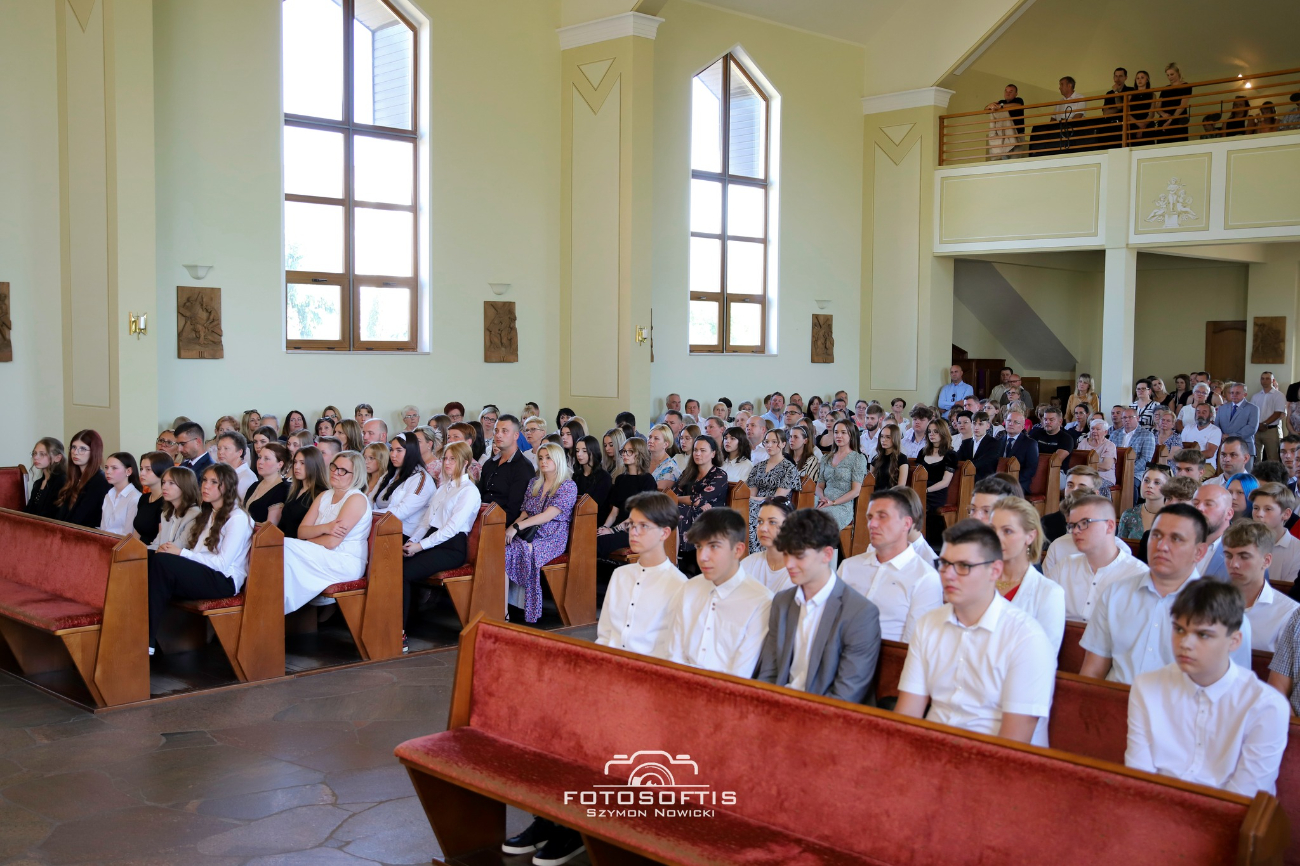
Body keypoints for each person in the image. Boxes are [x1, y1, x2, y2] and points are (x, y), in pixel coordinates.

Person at [895, 520, 1055, 746]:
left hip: (995, 762)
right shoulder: (928, 624)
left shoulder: (1026, 638)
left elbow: (1014, 745)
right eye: (944, 563)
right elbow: (907, 716)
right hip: (932, 751)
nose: (948, 575)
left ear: (995, 570)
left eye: (963, 566)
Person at [1127, 579, 1289, 796]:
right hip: (1156, 810)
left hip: (1232, 822)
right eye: (1179, 629)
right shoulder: (1146, 687)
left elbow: (1242, 799)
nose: (1185, 643)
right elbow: (1139, 780)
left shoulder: (1267, 707)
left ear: (1234, 641)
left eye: (1203, 634)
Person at [1080, 504, 1254, 684]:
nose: (1162, 546)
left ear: (1199, 552)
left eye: (1176, 539)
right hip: (1115, 704)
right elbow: (1092, 671)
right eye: (1156, 535)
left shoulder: (1224, 610)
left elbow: (1232, 689)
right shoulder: (1116, 593)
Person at [755, 508, 881, 703]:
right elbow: (769, 674)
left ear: (827, 554)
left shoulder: (860, 613)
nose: (789, 564)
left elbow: (845, 695)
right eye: (786, 554)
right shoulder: (782, 602)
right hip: (778, 705)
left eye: (799, 555)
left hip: (827, 715)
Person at [146, 463, 256, 653]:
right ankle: (143, 635)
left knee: (162, 562)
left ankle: (146, 640)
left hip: (224, 581)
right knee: (148, 558)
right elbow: (198, 554)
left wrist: (181, 554)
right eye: (204, 480)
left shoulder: (237, 518)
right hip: (205, 574)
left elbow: (222, 564)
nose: (206, 486)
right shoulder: (210, 513)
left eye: (214, 482)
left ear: (227, 487)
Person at [654, 508, 773, 675]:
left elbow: (741, 673)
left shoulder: (760, 601)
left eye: (714, 546)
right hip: (677, 686)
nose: (702, 556)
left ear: (737, 550)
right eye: (699, 547)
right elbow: (674, 654)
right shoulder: (689, 588)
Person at [839, 488, 943, 642]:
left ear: (907, 523)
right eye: (870, 517)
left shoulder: (926, 578)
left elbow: (913, 646)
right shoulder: (848, 567)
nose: (872, 524)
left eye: (882, 517)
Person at [596, 491, 688, 654]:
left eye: (643, 526)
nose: (634, 532)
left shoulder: (679, 585)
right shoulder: (620, 574)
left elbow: (675, 651)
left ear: (664, 533)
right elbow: (605, 634)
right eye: (631, 524)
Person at [401, 442, 480, 630]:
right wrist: (412, 541)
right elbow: (426, 522)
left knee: (403, 574)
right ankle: (397, 621)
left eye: (453, 459)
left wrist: (420, 546)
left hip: (451, 547)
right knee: (391, 566)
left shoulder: (469, 491)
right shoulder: (443, 488)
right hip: (432, 539)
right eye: (445, 458)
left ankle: (399, 631)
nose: (447, 463)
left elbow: (451, 529)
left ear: (466, 462)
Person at [282, 451, 372, 614]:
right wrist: (325, 527)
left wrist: (305, 542)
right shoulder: (324, 495)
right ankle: (276, 604)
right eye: (334, 467)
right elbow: (302, 531)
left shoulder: (356, 499)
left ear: (356, 475)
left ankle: (277, 606)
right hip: (321, 553)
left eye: (342, 470)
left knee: (286, 546)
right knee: (282, 548)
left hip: (344, 560)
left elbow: (332, 542)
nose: (335, 472)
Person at [504, 443, 578, 623]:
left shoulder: (568, 486)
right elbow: (525, 512)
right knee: (500, 547)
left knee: (511, 552)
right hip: (531, 531)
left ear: (558, 460)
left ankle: (506, 611)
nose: (543, 461)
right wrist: (510, 528)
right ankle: (502, 607)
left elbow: (547, 516)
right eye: (541, 458)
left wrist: (517, 528)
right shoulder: (534, 483)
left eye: (548, 457)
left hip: (553, 536)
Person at [1050, 494, 1149, 622]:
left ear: (1110, 526)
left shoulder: (1138, 575)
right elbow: (1040, 610)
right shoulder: (1065, 566)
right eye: (1072, 525)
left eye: (1085, 523)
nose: (1075, 531)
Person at [990, 496, 1065, 653]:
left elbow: (1044, 656)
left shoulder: (1049, 593)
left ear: (1030, 536)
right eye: (992, 530)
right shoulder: (977, 580)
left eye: (1007, 531)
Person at [1223, 520, 1299, 651]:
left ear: (1266, 560)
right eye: (1229, 556)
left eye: (1244, 556)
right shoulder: (1208, 601)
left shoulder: (1288, 613)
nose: (1233, 564)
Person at [596, 438, 657, 557]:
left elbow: (641, 514)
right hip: (619, 527)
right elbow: (614, 512)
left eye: (630, 451)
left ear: (639, 454)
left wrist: (612, 530)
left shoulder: (647, 480)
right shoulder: (620, 479)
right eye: (623, 451)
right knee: (593, 538)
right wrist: (604, 527)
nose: (625, 454)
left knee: (600, 543)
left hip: (636, 529)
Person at [674, 434, 729, 558]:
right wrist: (689, 501)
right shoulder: (688, 473)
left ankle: (675, 559)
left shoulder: (719, 475)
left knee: (677, 511)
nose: (697, 454)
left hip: (711, 518)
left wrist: (677, 500)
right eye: (695, 450)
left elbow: (698, 500)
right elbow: (672, 494)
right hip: (689, 512)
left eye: (702, 450)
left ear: (713, 453)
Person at [745, 430, 801, 553]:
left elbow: (778, 497)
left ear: (782, 444)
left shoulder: (789, 468)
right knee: (740, 509)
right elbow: (751, 492)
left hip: (778, 505)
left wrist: (753, 501)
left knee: (751, 512)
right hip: (756, 502)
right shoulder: (758, 466)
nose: (769, 445)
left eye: (774, 442)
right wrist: (752, 500)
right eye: (766, 442)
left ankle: (757, 554)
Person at [374, 433, 434, 539]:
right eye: (391, 450)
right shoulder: (391, 473)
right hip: (380, 526)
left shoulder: (421, 479)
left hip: (404, 533)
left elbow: (401, 512)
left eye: (399, 450)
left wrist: (367, 514)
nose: (393, 454)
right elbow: (372, 498)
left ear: (411, 452)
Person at [478, 415, 533, 527]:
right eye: (496, 430)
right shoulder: (489, 463)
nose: (498, 435)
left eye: (504, 431)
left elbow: (514, 509)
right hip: (480, 517)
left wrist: (489, 525)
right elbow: (479, 495)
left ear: (516, 435)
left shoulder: (523, 467)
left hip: (502, 524)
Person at [818, 420, 869, 532]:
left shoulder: (857, 459)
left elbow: (856, 491)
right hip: (823, 502)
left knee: (820, 522)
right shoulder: (826, 458)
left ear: (850, 435)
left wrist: (833, 502)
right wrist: (822, 497)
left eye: (843, 432)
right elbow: (819, 485)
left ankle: (824, 548)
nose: (839, 435)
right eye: (836, 432)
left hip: (842, 506)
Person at [55, 429, 110, 528]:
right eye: (73, 447)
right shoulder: (74, 478)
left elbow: (82, 518)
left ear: (94, 452)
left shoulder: (99, 481)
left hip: (85, 537)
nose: (76, 452)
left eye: (82, 449)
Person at [742, 496, 795, 593]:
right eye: (760, 521)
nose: (763, 528)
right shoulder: (749, 563)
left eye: (772, 522)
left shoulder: (799, 570)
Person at [1251, 484, 1300, 583]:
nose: (1259, 514)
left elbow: (1288, 592)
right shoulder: (1242, 542)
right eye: (1256, 508)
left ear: (1286, 514)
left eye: (1268, 509)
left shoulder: (1297, 550)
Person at [919, 420, 958, 542]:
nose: (932, 434)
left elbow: (945, 482)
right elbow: (917, 475)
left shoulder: (950, 455)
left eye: (936, 431)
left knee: (920, 506)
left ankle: (923, 541)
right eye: (929, 431)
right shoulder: (923, 452)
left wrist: (925, 490)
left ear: (943, 433)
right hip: (920, 489)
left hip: (936, 493)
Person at [280, 446, 328, 541]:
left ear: (314, 465)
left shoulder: (321, 494)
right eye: (295, 462)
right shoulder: (295, 489)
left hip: (300, 547)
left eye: (302, 463)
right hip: (284, 543)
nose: (296, 467)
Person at [152, 466, 201, 551]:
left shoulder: (195, 514)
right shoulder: (166, 513)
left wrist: (158, 550)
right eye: (163, 482)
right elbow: (157, 543)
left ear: (185, 486)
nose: (164, 487)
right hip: (162, 556)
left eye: (171, 483)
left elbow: (181, 545)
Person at [1191, 484, 1236, 580]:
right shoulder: (1180, 544)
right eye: (1195, 503)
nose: (1199, 508)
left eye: (1209, 504)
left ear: (1229, 514)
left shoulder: (1242, 551)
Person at [1119, 464, 1171, 540]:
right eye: (1146, 481)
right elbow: (1121, 546)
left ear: (1167, 487)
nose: (1150, 485)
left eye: (1157, 482)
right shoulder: (1128, 515)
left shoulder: (1173, 517)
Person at [132, 451, 174, 544]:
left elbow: (161, 539)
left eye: (148, 469)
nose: (142, 473)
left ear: (162, 470)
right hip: (140, 550)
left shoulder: (166, 502)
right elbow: (138, 532)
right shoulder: (144, 498)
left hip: (153, 551)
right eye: (141, 468)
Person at [244, 442, 290, 525]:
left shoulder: (283, 488)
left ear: (279, 464)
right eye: (259, 457)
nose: (260, 462)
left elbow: (270, 525)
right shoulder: (254, 485)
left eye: (266, 459)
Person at [99, 452, 143, 536]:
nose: (108, 472)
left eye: (114, 468)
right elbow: (103, 527)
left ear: (128, 471)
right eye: (106, 467)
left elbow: (129, 533)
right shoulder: (109, 495)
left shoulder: (134, 497)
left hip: (121, 546)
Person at [572, 434, 612, 523]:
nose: (579, 454)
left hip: (595, 521)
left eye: (584, 451)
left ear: (593, 452)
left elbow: (593, 505)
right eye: (577, 451)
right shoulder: (576, 475)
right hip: (576, 518)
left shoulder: (604, 477)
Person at [999, 410, 1040, 496]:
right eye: (1009, 421)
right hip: (998, 480)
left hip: (1018, 483)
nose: (1011, 424)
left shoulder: (1030, 443)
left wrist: (1011, 480)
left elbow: (1031, 468)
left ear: (1022, 427)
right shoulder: (998, 441)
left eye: (1016, 422)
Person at [23, 438, 66, 518]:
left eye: (42, 454)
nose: (36, 457)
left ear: (58, 458)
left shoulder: (62, 481)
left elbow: (55, 515)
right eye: (34, 453)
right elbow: (29, 510)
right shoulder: (38, 483)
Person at [1219, 383, 1261, 466]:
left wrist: (1231, 435)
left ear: (1245, 394)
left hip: (1244, 447)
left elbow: (1252, 428)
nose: (1234, 395)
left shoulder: (1253, 408)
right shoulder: (1222, 408)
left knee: (1244, 476)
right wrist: (1221, 435)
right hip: (1226, 448)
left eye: (1237, 393)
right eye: (1232, 393)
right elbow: (1217, 425)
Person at [1152, 62, 1192, 143]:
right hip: (1164, 120)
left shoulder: (1186, 86)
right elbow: (1157, 107)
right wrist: (1163, 114)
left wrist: (1170, 120)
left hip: (1177, 120)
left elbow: (1182, 105)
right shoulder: (1165, 89)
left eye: (1172, 74)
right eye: (1168, 75)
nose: (1170, 77)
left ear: (1178, 73)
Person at [1253, 371, 1287, 462]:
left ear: (1273, 380)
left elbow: (1278, 413)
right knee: (1256, 457)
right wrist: (1257, 424)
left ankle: (1273, 476)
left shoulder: (1279, 395)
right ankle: (1257, 475)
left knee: (1272, 457)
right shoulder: (1256, 396)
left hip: (1271, 429)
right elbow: (1252, 412)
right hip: (1257, 429)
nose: (1264, 381)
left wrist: (1265, 423)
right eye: (1262, 378)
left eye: (1267, 378)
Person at [1078, 419, 1117, 493]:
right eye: (1092, 428)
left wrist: (1086, 466)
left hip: (1104, 477)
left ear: (1105, 432)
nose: (1094, 431)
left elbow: (1106, 466)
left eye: (1098, 429)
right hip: (1084, 476)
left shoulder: (1109, 445)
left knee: (1089, 485)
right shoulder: (1083, 443)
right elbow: (1076, 462)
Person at [957, 411, 999, 480]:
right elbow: (957, 458)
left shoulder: (994, 443)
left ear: (988, 426)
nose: (976, 427)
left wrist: (966, 467)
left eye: (980, 424)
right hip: (966, 479)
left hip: (986, 481)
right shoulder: (966, 443)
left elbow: (984, 461)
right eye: (974, 423)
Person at [216, 431, 257, 499]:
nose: (220, 452)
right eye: (219, 448)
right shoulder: (221, 471)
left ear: (239, 452)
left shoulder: (246, 478)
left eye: (226, 448)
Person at [645, 425, 679, 493]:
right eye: (650, 437)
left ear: (665, 444)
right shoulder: (644, 461)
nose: (650, 441)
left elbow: (656, 494)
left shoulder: (670, 468)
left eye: (656, 438)